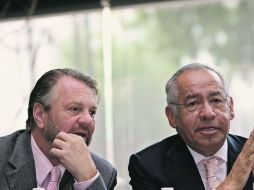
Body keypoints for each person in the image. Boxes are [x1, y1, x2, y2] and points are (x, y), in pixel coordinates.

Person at [128, 63, 254, 190]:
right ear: (172, 116)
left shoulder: (250, 155)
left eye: (216, 100)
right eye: (193, 103)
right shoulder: (148, 167)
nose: (208, 113)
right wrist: (231, 184)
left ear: (231, 107)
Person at [0, 68, 117, 190]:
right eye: (74, 109)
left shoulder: (102, 173)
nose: (88, 120)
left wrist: (88, 180)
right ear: (40, 115)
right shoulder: (3, 155)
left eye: (92, 112)